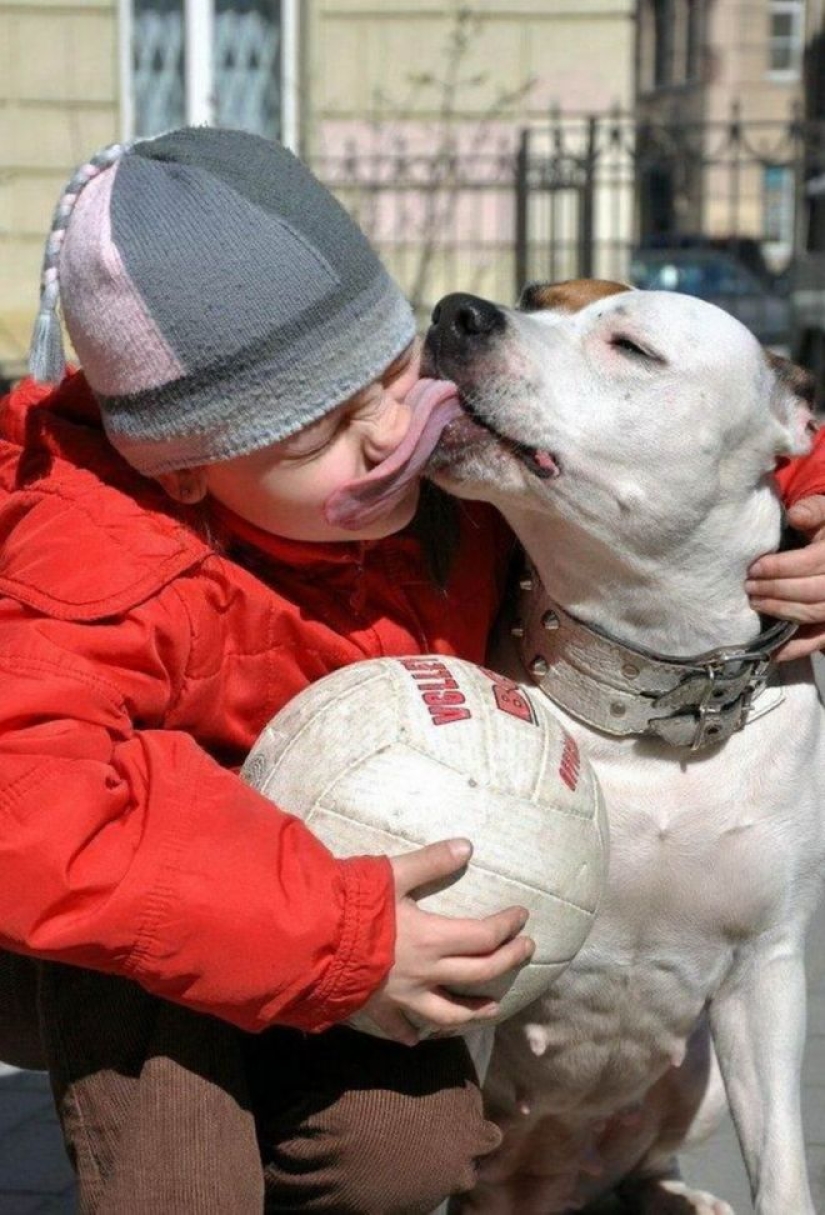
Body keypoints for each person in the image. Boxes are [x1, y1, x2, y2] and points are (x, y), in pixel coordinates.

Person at [0, 126, 824, 1215]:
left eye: (394, 370)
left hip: (338, 935)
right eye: (333, 426)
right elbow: (31, 822)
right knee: (183, 1190)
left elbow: (688, 429)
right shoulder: (93, 562)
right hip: (147, 941)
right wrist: (337, 937)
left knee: (410, 1154)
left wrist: (811, 487)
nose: (397, 428)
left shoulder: (422, 486)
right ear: (194, 476)